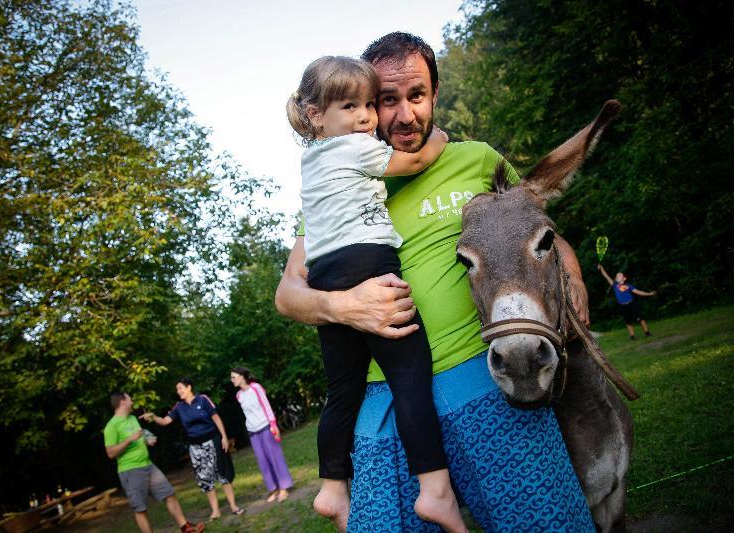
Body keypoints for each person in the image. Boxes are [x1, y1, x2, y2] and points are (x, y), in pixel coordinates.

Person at [275, 32, 596, 532]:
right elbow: (288, 294)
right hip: (382, 392)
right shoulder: (337, 184)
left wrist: (574, 284)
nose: (404, 115)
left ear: (434, 95)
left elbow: (544, 229)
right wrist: (346, 307)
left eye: (417, 95)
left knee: (545, 521)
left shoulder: (478, 159)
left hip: (486, 375)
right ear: (365, 104)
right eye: (386, 100)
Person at [285, 55, 465, 532]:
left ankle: (331, 488)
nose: (365, 117)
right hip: (367, 261)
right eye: (350, 105)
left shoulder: (312, 161)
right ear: (315, 115)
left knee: (342, 390)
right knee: (410, 375)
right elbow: (418, 158)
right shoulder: (353, 148)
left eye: (368, 104)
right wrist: (440, 137)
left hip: (325, 272)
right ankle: (435, 491)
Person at [140, 379, 245, 521]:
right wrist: (153, 416)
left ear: (189, 387)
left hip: (213, 441)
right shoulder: (179, 407)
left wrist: (224, 437)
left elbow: (216, 418)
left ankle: (233, 506)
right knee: (205, 479)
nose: (178, 392)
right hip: (195, 447)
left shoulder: (202, 400)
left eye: (180, 388)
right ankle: (215, 511)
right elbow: (165, 421)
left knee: (223, 474)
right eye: (177, 390)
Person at [103, 391, 203, 533]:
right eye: (130, 399)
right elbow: (111, 453)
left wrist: (147, 440)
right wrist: (129, 439)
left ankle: (185, 527)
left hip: (148, 465)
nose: (132, 402)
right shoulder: (111, 426)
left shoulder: (132, 418)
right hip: (130, 471)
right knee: (140, 508)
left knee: (169, 494)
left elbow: (139, 436)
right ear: (122, 402)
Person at [230, 367, 293, 502]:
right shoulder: (239, 395)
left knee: (274, 457)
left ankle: (283, 488)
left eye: (234, 377)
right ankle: (274, 489)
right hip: (252, 431)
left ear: (242, 377)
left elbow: (266, 405)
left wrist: (273, 424)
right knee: (262, 461)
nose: (232, 380)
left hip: (265, 426)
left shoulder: (256, 388)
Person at [597, 264, 657, 339]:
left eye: (619, 275)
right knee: (628, 321)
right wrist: (601, 269)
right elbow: (606, 277)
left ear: (624, 278)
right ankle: (632, 336)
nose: (617, 276)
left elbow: (638, 292)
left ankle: (647, 332)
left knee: (640, 318)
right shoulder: (615, 285)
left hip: (631, 304)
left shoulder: (628, 286)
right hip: (622, 306)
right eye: (616, 276)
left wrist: (649, 294)